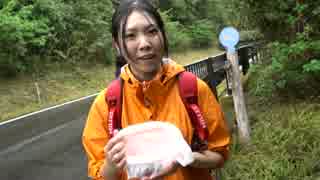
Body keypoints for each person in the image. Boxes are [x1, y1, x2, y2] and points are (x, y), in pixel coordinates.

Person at [82, 0, 230, 179]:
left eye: (151, 31)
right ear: (117, 45)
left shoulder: (194, 89)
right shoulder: (106, 105)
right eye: (130, 36)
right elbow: (99, 174)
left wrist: (187, 157)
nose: (144, 43)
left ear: (163, 34)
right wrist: (112, 165)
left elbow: (220, 154)